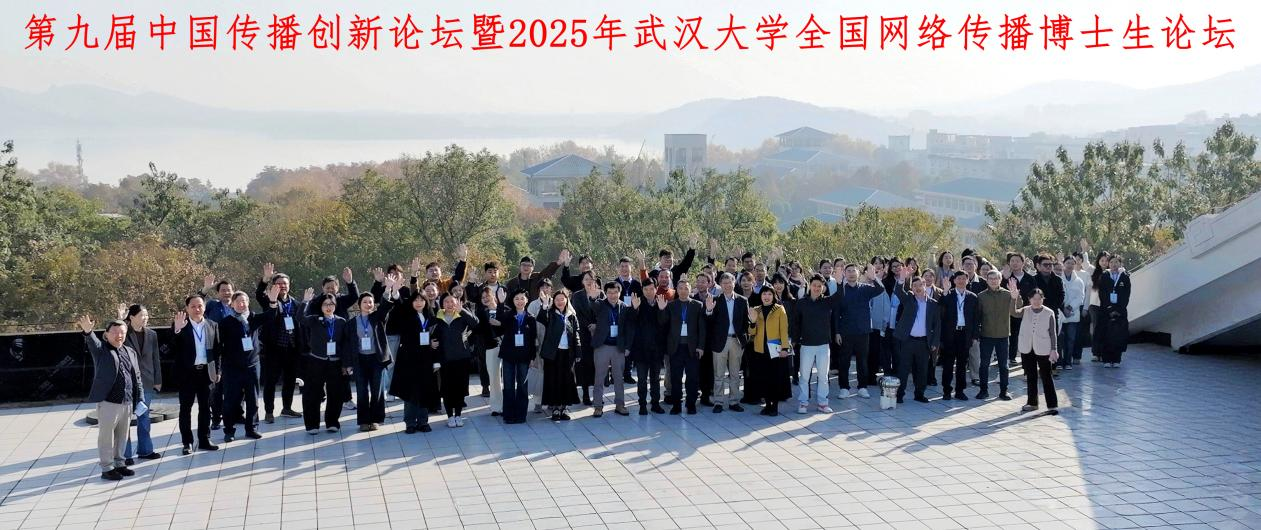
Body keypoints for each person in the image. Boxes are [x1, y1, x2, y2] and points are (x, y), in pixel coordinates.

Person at [77, 315, 143, 481]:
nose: (118, 335)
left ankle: (119, 463)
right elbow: (93, 343)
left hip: (127, 401)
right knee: (106, 437)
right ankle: (107, 468)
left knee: (123, 436)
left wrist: (140, 398)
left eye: (122, 332)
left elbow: (137, 377)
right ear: (106, 334)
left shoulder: (130, 352)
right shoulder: (102, 351)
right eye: (114, 332)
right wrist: (88, 332)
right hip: (109, 402)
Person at [216, 288, 277, 443]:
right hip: (232, 367)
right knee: (230, 400)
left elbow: (270, 315)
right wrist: (219, 368)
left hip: (252, 365)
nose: (241, 304)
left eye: (244, 301)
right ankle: (229, 430)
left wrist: (272, 301)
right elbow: (218, 346)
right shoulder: (225, 323)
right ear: (232, 305)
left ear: (248, 303)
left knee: (253, 399)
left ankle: (252, 428)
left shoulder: (253, 318)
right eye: (238, 302)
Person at [171, 295, 221, 455]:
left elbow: (217, 351)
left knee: (205, 407)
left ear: (204, 307)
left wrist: (218, 371)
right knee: (185, 409)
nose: (197, 309)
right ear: (187, 309)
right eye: (193, 306)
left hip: (206, 372)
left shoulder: (212, 325)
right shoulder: (181, 325)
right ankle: (187, 443)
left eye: (199, 306)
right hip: (187, 374)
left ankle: (205, 439)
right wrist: (177, 331)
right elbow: (171, 348)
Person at [254, 263, 304, 423]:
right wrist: (265, 279)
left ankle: (287, 408)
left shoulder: (295, 304)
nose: (282, 286)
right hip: (274, 349)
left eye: (285, 283)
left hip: (292, 348)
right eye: (279, 283)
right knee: (271, 381)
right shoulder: (269, 300)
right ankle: (269, 411)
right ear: (274, 285)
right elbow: (258, 294)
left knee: (290, 380)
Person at [299, 294, 354, 434]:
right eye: (325, 304)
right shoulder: (315, 320)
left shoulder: (341, 321)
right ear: (321, 306)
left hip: (335, 362)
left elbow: (345, 344)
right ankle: (312, 424)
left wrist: (347, 364)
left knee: (336, 393)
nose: (328, 307)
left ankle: (332, 422)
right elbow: (300, 318)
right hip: (316, 361)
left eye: (331, 304)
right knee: (313, 394)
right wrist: (305, 302)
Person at [388, 291, 441, 433]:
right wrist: (396, 294)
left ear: (425, 302)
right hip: (409, 359)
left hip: (426, 359)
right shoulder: (407, 316)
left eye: (421, 300)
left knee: (424, 390)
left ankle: (423, 421)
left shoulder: (430, 317)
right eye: (415, 300)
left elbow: (435, 338)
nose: (419, 303)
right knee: (410, 392)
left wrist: (435, 359)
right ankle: (410, 422)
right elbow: (399, 308)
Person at [658, 279, 707, 415]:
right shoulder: (671, 305)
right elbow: (662, 323)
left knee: (692, 378)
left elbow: (702, 328)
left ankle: (691, 404)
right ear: (677, 290)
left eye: (686, 288)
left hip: (692, 348)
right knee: (675, 378)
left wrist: (701, 347)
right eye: (680, 288)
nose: (683, 291)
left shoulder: (698, 305)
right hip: (676, 348)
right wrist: (661, 310)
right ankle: (676, 405)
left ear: (690, 289)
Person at [789, 274, 837, 414]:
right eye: (814, 285)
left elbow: (840, 296)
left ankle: (823, 403)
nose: (816, 288)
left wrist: (839, 281)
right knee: (804, 376)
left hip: (823, 345)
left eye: (819, 286)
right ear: (810, 286)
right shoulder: (801, 303)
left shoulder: (827, 301)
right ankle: (803, 402)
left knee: (823, 376)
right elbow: (796, 323)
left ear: (823, 288)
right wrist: (794, 340)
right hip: (806, 345)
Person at [836, 264, 885, 399]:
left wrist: (874, 278)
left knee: (862, 361)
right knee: (844, 361)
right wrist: (837, 332)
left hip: (863, 331)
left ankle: (862, 387)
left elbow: (881, 289)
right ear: (845, 273)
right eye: (849, 271)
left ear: (858, 273)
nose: (852, 273)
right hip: (846, 331)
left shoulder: (865, 288)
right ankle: (844, 387)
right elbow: (836, 313)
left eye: (854, 271)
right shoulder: (841, 290)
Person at [121, 304, 162, 464]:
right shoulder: (124, 332)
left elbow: (155, 358)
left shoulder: (152, 334)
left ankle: (145, 450)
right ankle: (125, 455)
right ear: (131, 317)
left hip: (146, 381)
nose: (145, 318)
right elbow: (107, 338)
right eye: (141, 315)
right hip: (127, 382)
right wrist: (120, 320)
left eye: (146, 315)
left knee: (144, 417)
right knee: (125, 420)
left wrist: (157, 380)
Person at [351, 285, 395, 432]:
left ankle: (376, 419)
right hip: (360, 360)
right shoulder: (352, 322)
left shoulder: (377, 317)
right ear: (359, 305)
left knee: (377, 390)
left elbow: (385, 307)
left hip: (376, 360)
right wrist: (348, 364)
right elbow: (348, 344)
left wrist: (387, 291)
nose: (368, 304)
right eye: (365, 302)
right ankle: (364, 421)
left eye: (370, 302)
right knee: (362, 391)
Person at [704, 272, 749, 413]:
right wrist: (709, 311)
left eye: (729, 282)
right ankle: (718, 401)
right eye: (724, 283)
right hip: (719, 342)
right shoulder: (715, 300)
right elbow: (709, 324)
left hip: (736, 341)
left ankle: (734, 401)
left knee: (735, 374)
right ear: (720, 285)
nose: (727, 285)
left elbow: (746, 322)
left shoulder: (742, 301)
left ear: (734, 283)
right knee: (719, 374)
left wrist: (744, 338)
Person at [589, 282, 635, 417]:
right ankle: (598, 406)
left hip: (618, 347)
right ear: (606, 293)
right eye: (609, 292)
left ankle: (620, 405)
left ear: (619, 293)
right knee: (599, 378)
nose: (613, 295)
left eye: (615, 292)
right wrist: (592, 297)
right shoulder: (600, 304)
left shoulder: (624, 307)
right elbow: (593, 305)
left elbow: (629, 328)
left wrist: (628, 347)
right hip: (602, 346)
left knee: (619, 378)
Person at [892, 276, 940, 404]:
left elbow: (937, 325)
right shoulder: (909, 299)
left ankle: (919, 394)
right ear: (912, 288)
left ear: (925, 286)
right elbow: (898, 291)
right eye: (914, 286)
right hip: (907, 340)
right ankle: (899, 395)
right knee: (903, 369)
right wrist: (902, 279)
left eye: (920, 285)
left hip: (924, 342)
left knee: (922, 369)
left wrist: (935, 342)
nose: (918, 288)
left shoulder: (933, 304)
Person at [1012, 288, 1060, 414]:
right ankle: (1032, 403)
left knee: (1046, 376)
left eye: (1039, 299)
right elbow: (1014, 312)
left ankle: (1052, 405)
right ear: (1029, 299)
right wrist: (1014, 298)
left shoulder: (1049, 312)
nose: (1037, 301)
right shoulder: (1025, 310)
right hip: (1027, 347)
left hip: (1043, 348)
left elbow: (1053, 333)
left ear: (1043, 299)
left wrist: (1054, 349)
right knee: (1030, 375)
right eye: (1034, 299)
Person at [435, 294, 479, 427]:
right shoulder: (437, 317)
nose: (449, 304)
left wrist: (463, 311)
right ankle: (450, 416)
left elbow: (475, 323)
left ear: (457, 303)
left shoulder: (461, 315)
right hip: (445, 359)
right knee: (447, 389)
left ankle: (458, 415)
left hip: (462, 357)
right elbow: (432, 335)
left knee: (460, 388)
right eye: (446, 302)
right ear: (442, 304)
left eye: (452, 302)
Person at [537, 289, 582, 421]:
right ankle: (555, 408)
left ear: (567, 300)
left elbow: (576, 334)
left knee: (567, 380)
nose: (560, 302)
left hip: (568, 353)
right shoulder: (550, 313)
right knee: (553, 380)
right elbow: (541, 319)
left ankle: (564, 407)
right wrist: (545, 305)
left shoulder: (571, 316)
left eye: (562, 299)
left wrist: (578, 351)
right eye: (557, 299)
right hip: (553, 354)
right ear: (554, 301)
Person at [748, 288, 792, 416]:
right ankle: (767, 405)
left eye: (769, 294)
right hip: (760, 349)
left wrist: (785, 348)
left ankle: (775, 406)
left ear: (773, 296)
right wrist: (753, 322)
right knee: (763, 378)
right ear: (760, 296)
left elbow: (784, 330)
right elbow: (751, 332)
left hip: (775, 350)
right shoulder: (756, 310)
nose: (766, 296)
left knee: (775, 378)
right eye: (764, 294)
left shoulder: (779, 309)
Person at [496, 290, 537, 424]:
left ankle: (521, 415)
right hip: (508, 355)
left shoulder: (531, 318)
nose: (519, 301)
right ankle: (508, 415)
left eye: (522, 298)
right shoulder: (508, 315)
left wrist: (532, 358)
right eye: (516, 299)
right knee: (508, 385)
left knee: (522, 386)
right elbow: (499, 321)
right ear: (513, 301)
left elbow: (533, 340)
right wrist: (500, 303)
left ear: (527, 300)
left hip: (524, 357)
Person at [976, 271, 1017, 400]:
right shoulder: (981, 296)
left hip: (1003, 335)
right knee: (984, 365)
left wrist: (1015, 297)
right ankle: (983, 390)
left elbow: (1015, 311)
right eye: (991, 278)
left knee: (1003, 366)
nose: (993, 281)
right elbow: (977, 316)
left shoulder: (1007, 294)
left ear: (1000, 280)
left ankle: (1004, 391)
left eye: (996, 278)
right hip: (986, 335)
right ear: (987, 280)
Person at [939, 272, 979, 401]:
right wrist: (945, 292)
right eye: (959, 278)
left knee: (962, 364)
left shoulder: (973, 297)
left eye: (964, 279)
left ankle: (960, 391)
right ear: (954, 280)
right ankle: (946, 390)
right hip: (950, 334)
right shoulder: (948, 294)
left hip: (965, 334)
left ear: (967, 281)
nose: (961, 281)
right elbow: (941, 308)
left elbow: (976, 319)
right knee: (948, 364)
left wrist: (974, 336)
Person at [630, 282, 665, 414]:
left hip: (656, 349)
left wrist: (662, 310)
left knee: (655, 378)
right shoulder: (638, 302)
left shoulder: (661, 302)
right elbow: (631, 322)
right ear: (642, 290)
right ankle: (642, 405)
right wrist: (634, 309)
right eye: (646, 289)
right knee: (642, 379)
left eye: (651, 289)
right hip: (641, 349)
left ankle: (655, 403)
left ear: (656, 289)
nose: (649, 292)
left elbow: (664, 323)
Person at [473, 285, 508, 416]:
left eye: (487, 296)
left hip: (507, 347)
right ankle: (496, 406)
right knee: (494, 378)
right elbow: (478, 328)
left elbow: (510, 325)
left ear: (493, 296)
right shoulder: (481, 313)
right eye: (483, 297)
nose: (485, 299)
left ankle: (508, 404)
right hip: (490, 347)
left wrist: (500, 323)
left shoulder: (505, 309)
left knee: (509, 378)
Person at [570, 271, 603, 406]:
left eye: (591, 279)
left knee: (598, 365)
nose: (589, 282)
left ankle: (598, 394)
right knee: (584, 365)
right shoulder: (577, 295)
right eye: (586, 279)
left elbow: (604, 312)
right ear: (582, 281)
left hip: (598, 334)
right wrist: (588, 326)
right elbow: (575, 314)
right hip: (583, 334)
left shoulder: (601, 294)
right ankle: (585, 394)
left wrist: (596, 325)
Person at [1097, 254, 1132, 368]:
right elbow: (1102, 294)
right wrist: (1109, 308)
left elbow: (1126, 295)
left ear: (1120, 264)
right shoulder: (1104, 276)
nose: (1113, 264)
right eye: (1111, 262)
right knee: (1106, 335)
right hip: (1106, 311)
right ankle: (1106, 359)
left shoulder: (1125, 277)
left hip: (1120, 311)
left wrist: (1119, 309)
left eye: (1116, 262)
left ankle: (1117, 359)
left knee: (1119, 336)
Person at [1005, 253, 1037, 366]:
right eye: (1012, 261)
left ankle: (1026, 358)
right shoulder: (1006, 278)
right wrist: (1004, 278)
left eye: (1017, 261)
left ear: (1023, 263)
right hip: (1010, 311)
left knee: (1026, 335)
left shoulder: (1030, 278)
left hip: (1026, 311)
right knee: (1012, 334)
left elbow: (1035, 294)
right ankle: (1012, 357)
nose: (1015, 263)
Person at [1058, 255, 1087, 371]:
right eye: (1068, 263)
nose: (1070, 265)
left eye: (1072, 263)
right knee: (1059, 339)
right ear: (1063, 264)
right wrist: (1063, 308)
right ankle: (1059, 361)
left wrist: (1070, 308)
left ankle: (1068, 362)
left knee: (1070, 339)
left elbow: (1081, 297)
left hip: (1073, 314)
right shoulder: (1058, 278)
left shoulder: (1079, 281)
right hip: (1060, 313)